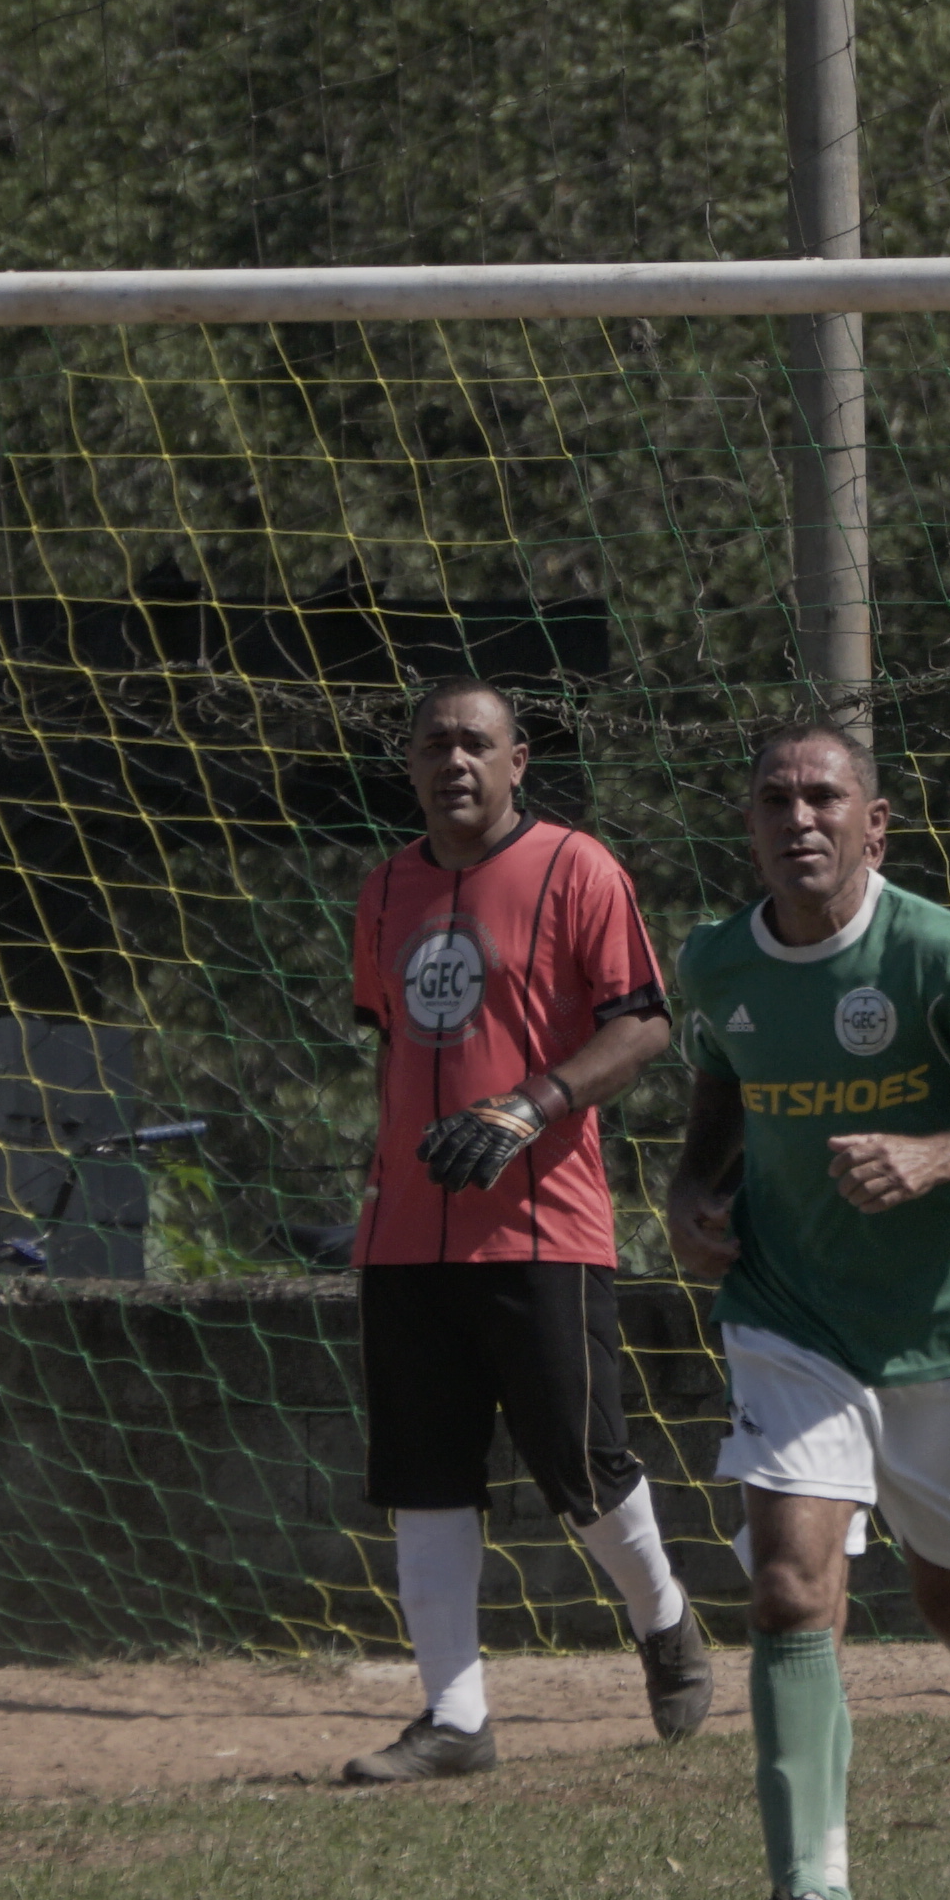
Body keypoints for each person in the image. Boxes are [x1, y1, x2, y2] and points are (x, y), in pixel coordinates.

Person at [660, 724, 950, 1900]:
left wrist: (928, 1157)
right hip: (790, 1313)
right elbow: (723, 1090)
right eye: (772, 800)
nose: (798, 819)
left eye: (824, 797)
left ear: (877, 823)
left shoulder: (941, 952)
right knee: (793, 1587)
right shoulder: (715, 962)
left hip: (947, 1323)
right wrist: (694, 1188)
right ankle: (814, 1895)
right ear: (746, 824)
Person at [331, 678, 712, 1784]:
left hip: (543, 1228)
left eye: (476, 744)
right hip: (405, 1235)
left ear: (519, 760)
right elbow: (391, 1041)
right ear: (408, 764)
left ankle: (665, 1617)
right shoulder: (385, 889)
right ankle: (455, 1718)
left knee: (583, 1465)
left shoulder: (577, 868)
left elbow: (642, 1025)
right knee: (425, 1474)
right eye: (434, 744)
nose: (455, 761)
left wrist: (529, 1105)